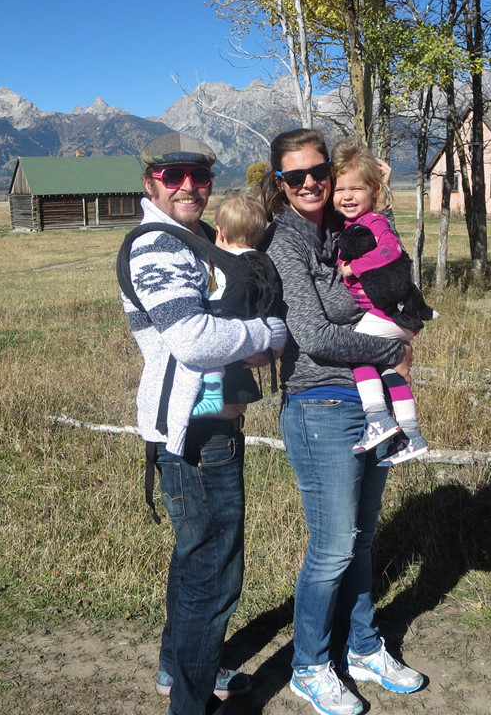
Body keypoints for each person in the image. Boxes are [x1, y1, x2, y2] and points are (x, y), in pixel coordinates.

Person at [120, 133, 288, 715]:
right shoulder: (156, 249)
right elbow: (192, 340)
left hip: (202, 427)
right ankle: (191, 706)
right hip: (197, 435)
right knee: (215, 572)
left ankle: (178, 670)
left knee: (196, 560)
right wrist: (270, 336)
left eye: (200, 175)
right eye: (174, 175)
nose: (189, 185)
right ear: (151, 182)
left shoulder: (190, 241)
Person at [261, 128, 427, 715]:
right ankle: (310, 665)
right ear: (280, 184)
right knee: (332, 548)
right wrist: (393, 347)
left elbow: (392, 282)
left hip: (368, 401)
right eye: (295, 176)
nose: (310, 183)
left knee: (361, 541)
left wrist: (404, 317)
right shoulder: (285, 243)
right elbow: (313, 336)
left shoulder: (348, 226)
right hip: (319, 406)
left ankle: (362, 648)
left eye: (318, 171)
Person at [330, 141, 435, 467]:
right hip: (396, 318)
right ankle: (412, 435)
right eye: (339, 189)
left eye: (356, 189)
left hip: (385, 312)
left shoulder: (374, 222)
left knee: (358, 350)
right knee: (391, 372)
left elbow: (392, 253)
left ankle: (378, 418)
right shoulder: (352, 223)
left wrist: (353, 267)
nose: (347, 196)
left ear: (373, 192)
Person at [191, 191, 279, 419]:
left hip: (230, 320)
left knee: (211, 354)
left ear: (219, 231)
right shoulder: (263, 261)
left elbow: (222, 295)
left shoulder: (230, 264)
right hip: (256, 325)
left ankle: (212, 396)